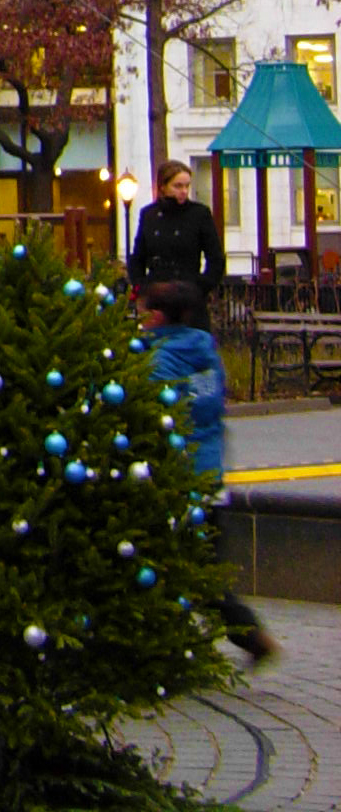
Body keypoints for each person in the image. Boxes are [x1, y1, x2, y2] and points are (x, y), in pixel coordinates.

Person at [141, 279, 278, 665]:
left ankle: (250, 637)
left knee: (188, 570)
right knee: (201, 567)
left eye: (142, 311)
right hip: (210, 476)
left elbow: (150, 415)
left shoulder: (159, 361)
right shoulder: (205, 352)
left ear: (156, 316)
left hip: (179, 479)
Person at [129, 156, 224, 327]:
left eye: (187, 186)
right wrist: (142, 288)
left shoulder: (199, 214)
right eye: (178, 186)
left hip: (188, 295)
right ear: (163, 187)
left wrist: (200, 288)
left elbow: (216, 257)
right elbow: (138, 256)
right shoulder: (149, 215)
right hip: (157, 296)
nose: (184, 191)